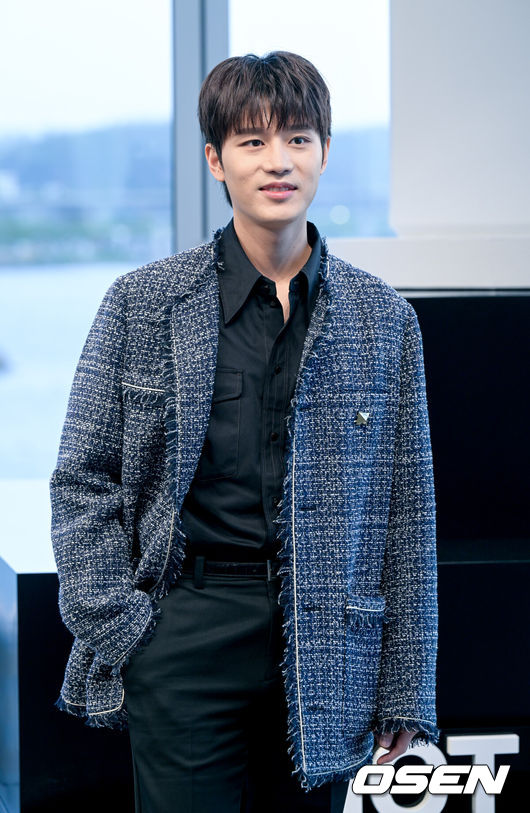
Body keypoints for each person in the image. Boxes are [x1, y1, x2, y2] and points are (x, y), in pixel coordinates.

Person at [50, 51, 440, 812]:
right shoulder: (143, 302)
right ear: (215, 160)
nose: (277, 161)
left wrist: (406, 689)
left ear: (325, 151)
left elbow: (407, 517)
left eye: (297, 138)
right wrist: (127, 631)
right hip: (185, 630)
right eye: (252, 142)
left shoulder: (383, 319)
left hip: (330, 649)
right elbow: (82, 479)